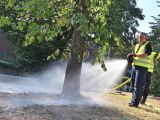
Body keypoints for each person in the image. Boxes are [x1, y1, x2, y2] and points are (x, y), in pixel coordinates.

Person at [127, 32, 152, 107]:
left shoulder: (148, 45)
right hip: (135, 67)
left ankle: (135, 103)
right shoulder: (137, 45)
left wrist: (133, 54)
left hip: (142, 68)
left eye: (142, 37)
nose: (140, 39)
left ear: (145, 38)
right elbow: (135, 55)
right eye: (139, 37)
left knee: (138, 85)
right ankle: (133, 101)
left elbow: (145, 55)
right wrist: (130, 59)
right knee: (134, 84)